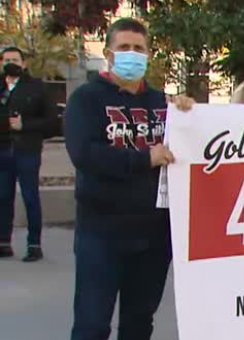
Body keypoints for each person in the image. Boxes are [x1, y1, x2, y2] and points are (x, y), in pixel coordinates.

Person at [64, 18, 193, 340]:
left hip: (153, 236)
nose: (132, 54)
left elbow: (193, 146)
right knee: (92, 325)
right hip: (101, 233)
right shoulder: (86, 99)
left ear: (149, 55)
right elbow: (85, 154)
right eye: (124, 48)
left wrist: (193, 115)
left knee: (138, 323)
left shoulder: (163, 104)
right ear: (109, 54)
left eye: (139, 48)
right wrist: (144, 157)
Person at [0, 46, 57, 262]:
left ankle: (34, 245)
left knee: (30, 197)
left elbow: (52, 122)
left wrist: (25, 125)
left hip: (27, 150)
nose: (10, 63)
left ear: (24, 63)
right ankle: (4, 243)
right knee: (3, 197)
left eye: (14, 59)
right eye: (6, 59)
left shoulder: (37, 88)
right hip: (2, 150)